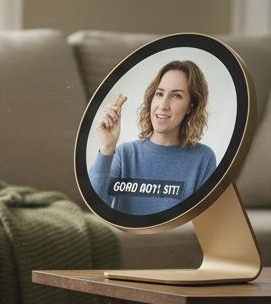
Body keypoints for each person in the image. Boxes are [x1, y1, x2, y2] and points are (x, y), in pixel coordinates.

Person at [88, 60, 217, 216]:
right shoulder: (124, 155)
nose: (163, 105)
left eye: (176, 96)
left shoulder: (203, 158)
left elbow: (207, 219)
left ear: (191, 106)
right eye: (159, 94)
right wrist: (107, 147)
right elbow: (96, 205)